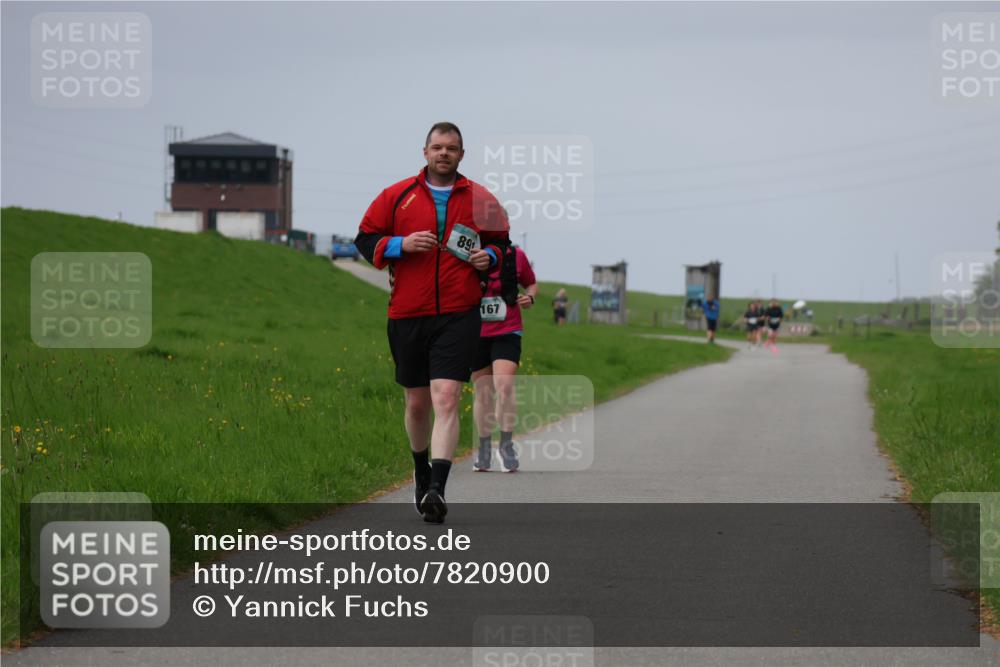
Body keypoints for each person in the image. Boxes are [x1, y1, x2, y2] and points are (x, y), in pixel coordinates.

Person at [354, 122, 509, 523]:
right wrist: (400, 245)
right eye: (437, 147)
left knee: (446, 399)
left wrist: (487, 258)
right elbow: (365, 239)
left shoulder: (480, 198)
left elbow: (501, 242)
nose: (444, 153)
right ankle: (421, 470)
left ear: (462, 154)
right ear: (424, 152)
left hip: (458, 313)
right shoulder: (396, 196)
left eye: (452, 148)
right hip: (407, 313)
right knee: (418, 405)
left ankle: (438, 489)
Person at [471, 245, 538, 473]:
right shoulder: (469, 253)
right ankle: (483, 447)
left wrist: (529, 297)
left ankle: (506, 444)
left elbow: (531, 282)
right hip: (476, 331)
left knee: (505, 385)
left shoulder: (516, 255)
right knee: (483, 391)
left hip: (508, 329)